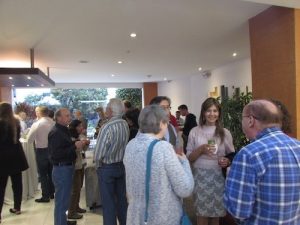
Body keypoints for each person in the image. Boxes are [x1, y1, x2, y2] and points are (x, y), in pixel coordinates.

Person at [224, 99, 300, 225]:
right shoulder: (298, 146)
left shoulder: (248, 154)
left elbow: (238, 212)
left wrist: (230, 181)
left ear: (250, 120)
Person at [124, 105, 194, 225]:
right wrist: (184, 162)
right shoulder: (163, 147)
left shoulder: (131, 145)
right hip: (162, 217)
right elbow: (185, 189)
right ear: (161, 123)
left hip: (136, 216)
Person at [186, 97, 234, 225]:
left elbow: (232, 155)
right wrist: (201, 149)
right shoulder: (194, 131)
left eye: (215, 111)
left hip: (218, 177)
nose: (212, 114)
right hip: (200, 176)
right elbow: (189, 158)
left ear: (219, 113)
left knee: (216, 215)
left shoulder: (225, 133)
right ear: (203, 112)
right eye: (208, 111)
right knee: (201, 214)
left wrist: (227, 161)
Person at [94, 98, 129, 225]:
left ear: (110, 110)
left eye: (107, 108)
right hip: (121, 166)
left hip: (107, 168)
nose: (105, 110)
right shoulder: (124, 124)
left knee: (108, 203)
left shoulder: (107, 126)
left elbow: (98, 153)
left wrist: (97, 165)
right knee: (122, 201)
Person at [48, 108, 86, 225]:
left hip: (66, 168)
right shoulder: (56, 132)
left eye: (69, 115)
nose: (70, 118)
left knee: (64, 201)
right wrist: (75, 146)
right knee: (61, 202)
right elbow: (57, 154)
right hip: (61, 169)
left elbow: (65, 146)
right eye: (66, 115)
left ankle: (63, 221)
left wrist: (74, 145)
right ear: (58, 118)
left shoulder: (64, 130)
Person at [0, 102, 29, 222]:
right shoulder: (16, 122)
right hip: (16, 157)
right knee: (17, 184)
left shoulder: (1, 123)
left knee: (1, 187)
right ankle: (17, 207)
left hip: (3, 158)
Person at [27, 106, 55, 203]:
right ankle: (52, 193)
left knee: (43, 174)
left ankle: (45, 196)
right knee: (51, 173)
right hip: (52, 150)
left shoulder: (37, 124)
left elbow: (29, 139)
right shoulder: (53, 123)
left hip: (41, 151)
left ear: (39, 113)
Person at [67, 120, 89, 220]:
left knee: (79, 187)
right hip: (74, 166)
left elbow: (84, 150)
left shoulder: (80, 136)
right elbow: (76, 150)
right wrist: (82, 143)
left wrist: (85, 143)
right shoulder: (70, 138)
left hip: (81, 164)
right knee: (75, 189)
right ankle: (71, 212)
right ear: (74, 127)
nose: (81, 127)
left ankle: (76, 206)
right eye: (79, 126)